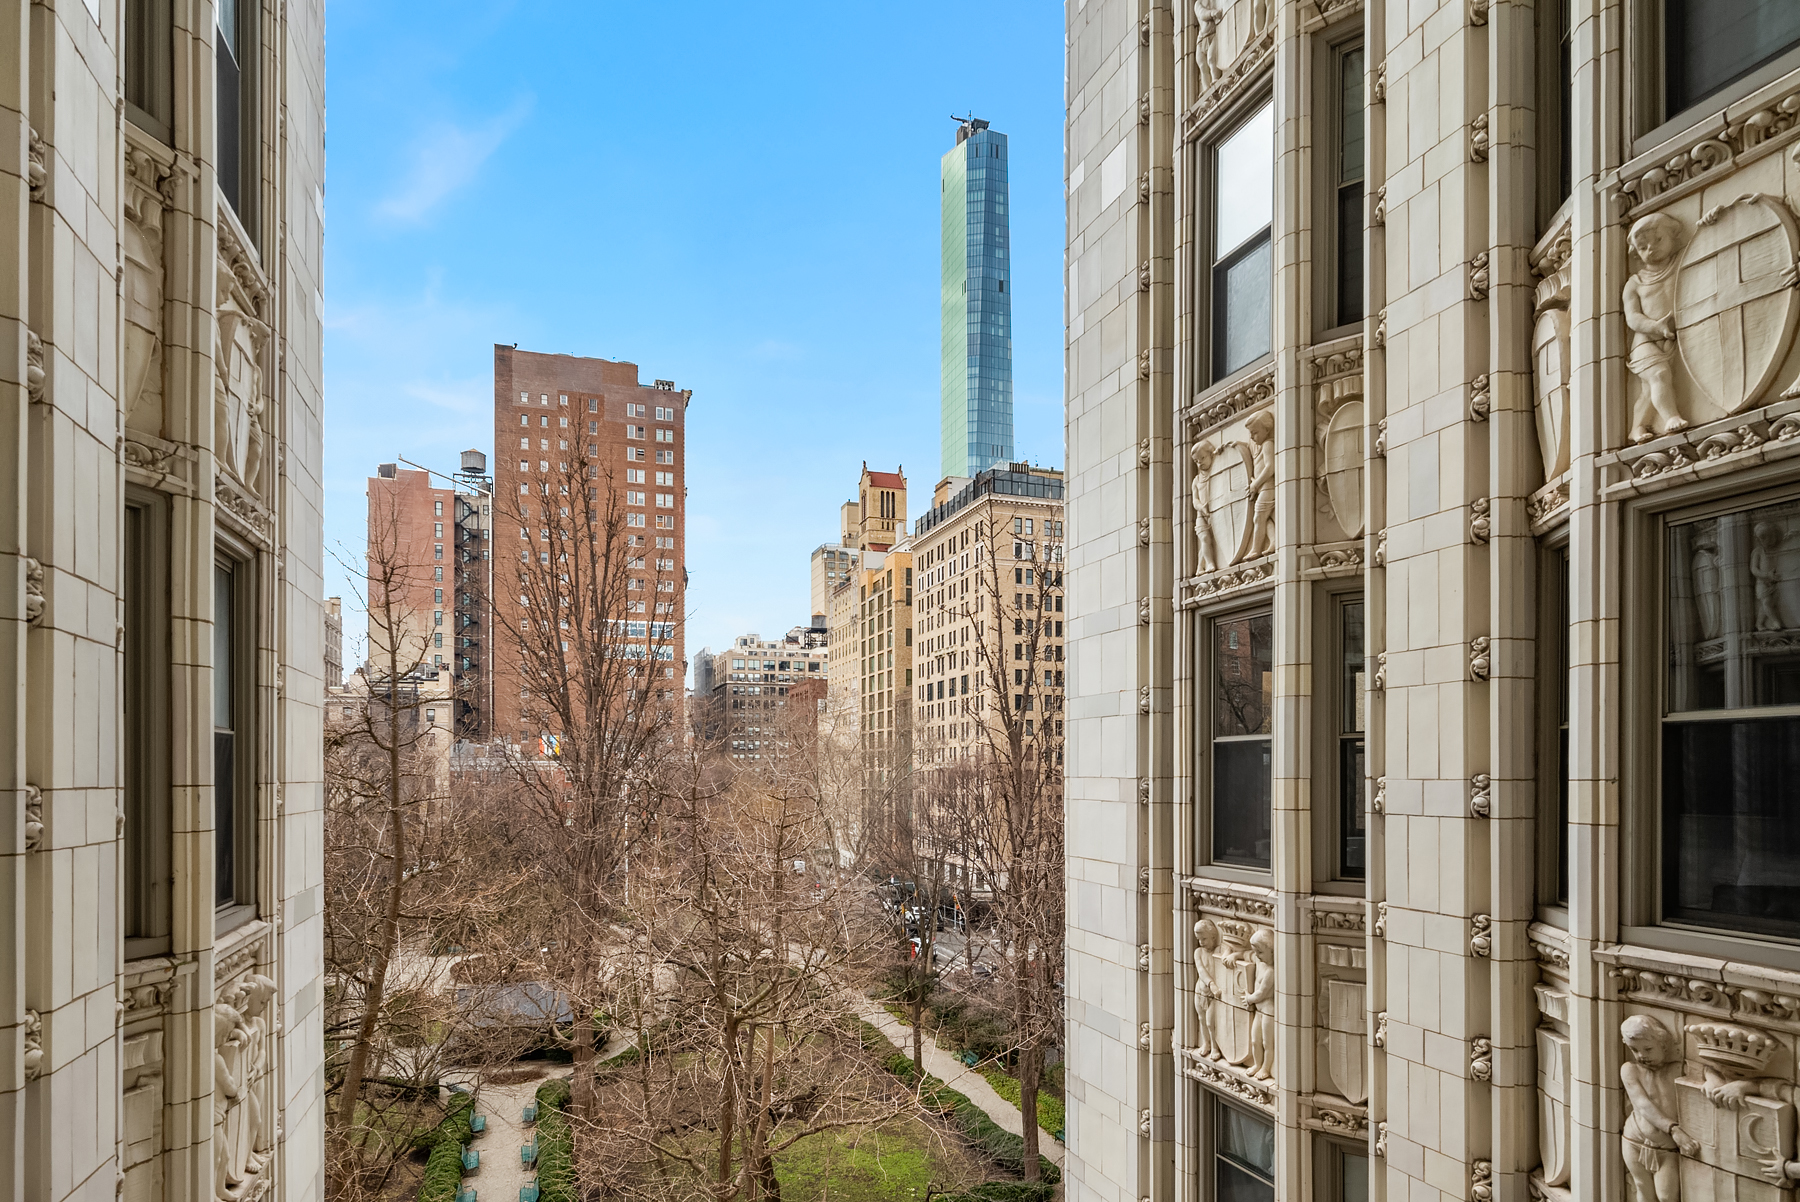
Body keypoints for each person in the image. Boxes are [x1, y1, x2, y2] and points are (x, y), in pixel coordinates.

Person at [1623, 213, 1689, 444]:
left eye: (1658, 240)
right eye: (1642, 247)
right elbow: (1632, 318)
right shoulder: (1635, 283)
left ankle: (1637, 427)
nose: (1650, 249)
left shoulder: (1684, 261)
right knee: (1659, 375)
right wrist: (1655, 327)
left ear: (1672, 236)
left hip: (1675, 336)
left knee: (1649, 390)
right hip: (1645, 342)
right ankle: (1671, 417)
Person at [1620, 1015, 1695, 1202]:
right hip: (1634, 1140)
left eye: (1648, 1049)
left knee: (1666, 1197)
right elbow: (1642, 1104)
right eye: (1634, 1049)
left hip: (1665, 1147)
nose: (1641, 1055)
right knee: (1642, 1188)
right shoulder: (1630, 1070)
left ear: (1663, 1043)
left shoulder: (1678, 1069)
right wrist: (1673, 1129)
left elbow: (1707, 1072)